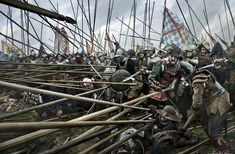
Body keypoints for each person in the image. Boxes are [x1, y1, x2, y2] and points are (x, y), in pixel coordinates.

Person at [183, 69, 232, 153]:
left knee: (214, 131)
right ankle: (216, 145)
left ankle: (225, 150)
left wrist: (194, 110)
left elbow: (197, 102)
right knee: (205, 123)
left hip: (220, 100)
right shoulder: (200, 75)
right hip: (212, 101)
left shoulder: (197, 79)